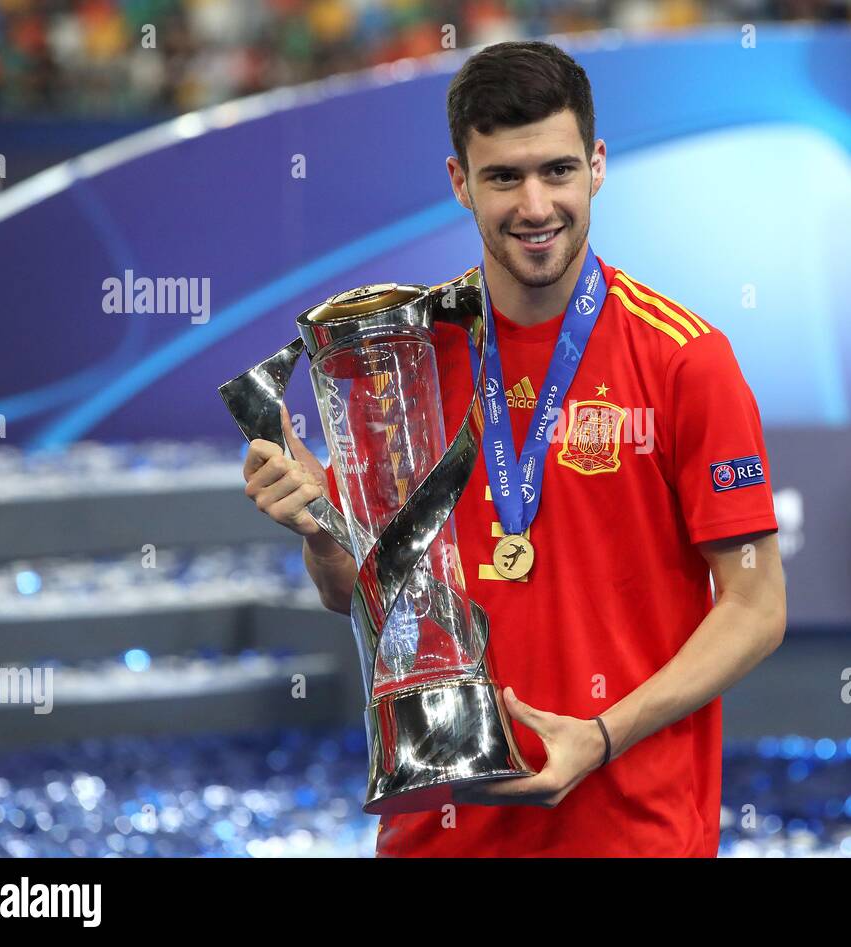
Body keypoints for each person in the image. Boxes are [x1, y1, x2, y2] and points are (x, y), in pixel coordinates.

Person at [241, 40, 785, 857]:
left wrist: (601, 734)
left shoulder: (685, 359)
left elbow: (756, 607)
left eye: (558, 171)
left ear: (598, 165)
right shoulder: (400, 358)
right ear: (459, 181)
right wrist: (322, 528)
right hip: (440, 834)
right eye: (504, 177)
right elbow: (354, 593)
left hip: (632, 832)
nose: (536, 205)